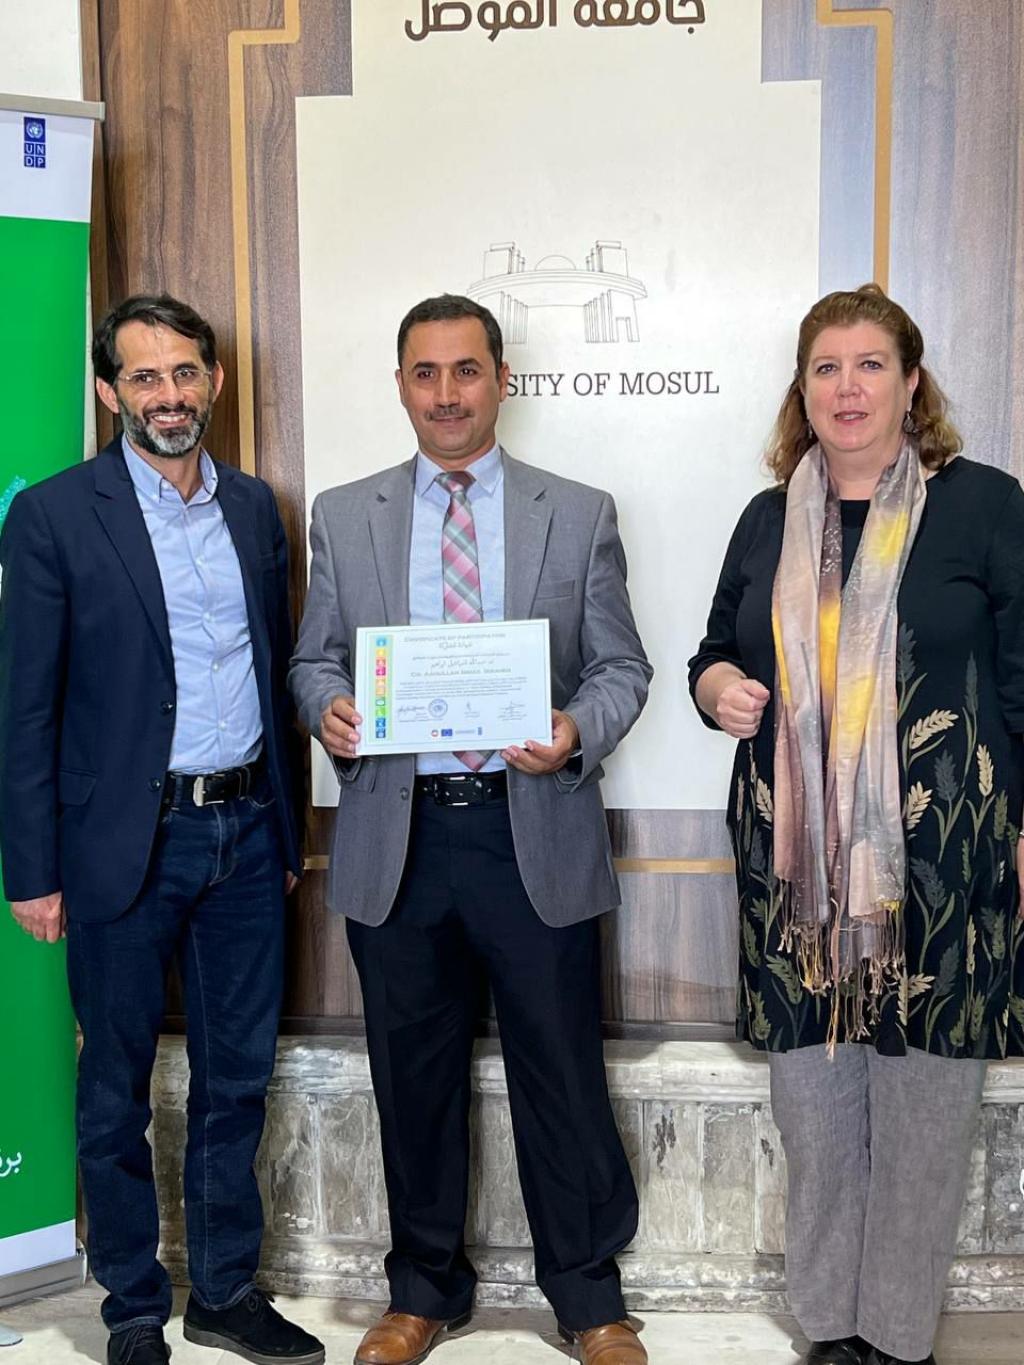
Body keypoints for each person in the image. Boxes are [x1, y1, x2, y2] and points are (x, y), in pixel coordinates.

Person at [289, 294, 652, 1365]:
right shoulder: (343, 513)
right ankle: (421, 1291)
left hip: (530, 831)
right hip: (398, 837)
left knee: (562, 1073)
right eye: (425, 372)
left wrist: (574, 728)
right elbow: (314, 659)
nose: (446, 394)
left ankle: (589, 1298)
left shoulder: (576, 511)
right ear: (401, 384)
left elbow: (621, 667)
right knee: (412, 1076)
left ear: (501, 379)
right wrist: (329, 708)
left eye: (465, 370)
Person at [688, 283, 1024, 1365]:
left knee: (925, 1121)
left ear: (911, 382)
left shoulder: (984, 505)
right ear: (802, 389)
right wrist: (718, 688)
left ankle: (897, 1336)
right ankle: (831, 1327)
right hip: (797, 880)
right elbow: (711, 653)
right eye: (825, 368)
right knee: (818, 1115)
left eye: (870, 365)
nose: (848, 388)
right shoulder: (766, 518)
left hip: (945, 860)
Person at [0, 296, 324, 1365]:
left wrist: (286, 832)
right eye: (144, 377)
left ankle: (224, 1291)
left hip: (246, 835)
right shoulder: (53, 516)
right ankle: (133, 1306)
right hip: (119, 846)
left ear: (214, 381)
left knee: (238, 1081)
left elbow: (275, 669)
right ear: (109, 392)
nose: (168, 395)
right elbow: (25, 707)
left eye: (185, 372)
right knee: (115, 1088)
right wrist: (31, 870)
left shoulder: (254, 508)